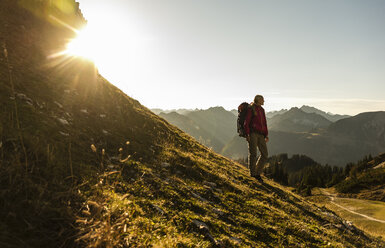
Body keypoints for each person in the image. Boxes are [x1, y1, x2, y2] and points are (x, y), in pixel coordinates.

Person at [244, 95, 269, 182]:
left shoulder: (262, 110)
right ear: (258, 100)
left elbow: (264, 123)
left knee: (265, 154)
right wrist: (247, 134)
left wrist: (266, 135)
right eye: (262, 100)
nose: (264, 101)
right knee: (253, 153)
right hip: (252, 133)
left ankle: (257, 173)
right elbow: (246, 122)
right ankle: (253, 174)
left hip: (261, 134)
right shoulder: (251, 109)